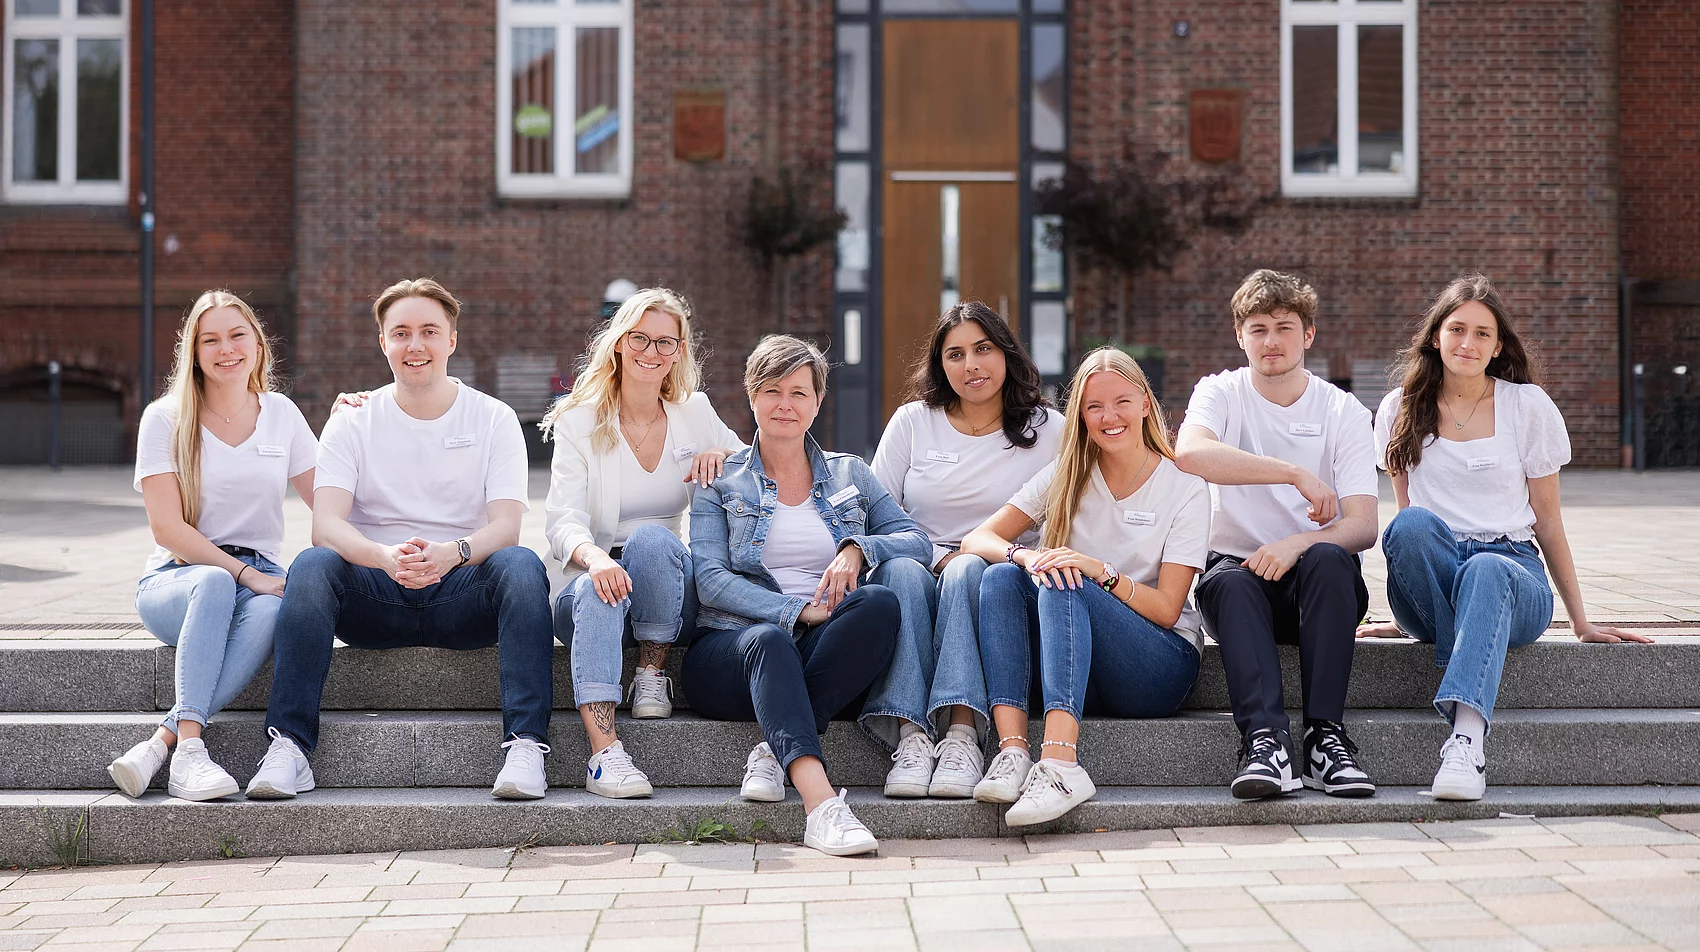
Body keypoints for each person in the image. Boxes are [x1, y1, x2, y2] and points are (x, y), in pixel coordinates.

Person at [246, 278, 556, 801]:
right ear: (383, 342)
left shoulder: (493, 417)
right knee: (312, 564)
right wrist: (383, 558)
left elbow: (506, 526)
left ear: (452, 341)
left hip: (460, 592)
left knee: (522, 564)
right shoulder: (352, 420)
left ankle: (526, 745)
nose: (416, 346)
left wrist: (451, 553)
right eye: (402, 333)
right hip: (376, 596)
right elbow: (327, 524)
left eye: (430, 331)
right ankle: (290, 749)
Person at [1372, 273, 1653, 801]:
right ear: (1436, 336)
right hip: (1434, 585)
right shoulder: (1398, 408)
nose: (1467, 343)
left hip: (1512, 572)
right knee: (1407, 525)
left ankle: (1466, 744)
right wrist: (1400, 611)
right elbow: (1409, 520)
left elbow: (1547, 520)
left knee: (1486, 568)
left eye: (1482, 333)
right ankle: (1471, 650)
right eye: (1457, 329)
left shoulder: (1527, 407)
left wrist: (1580, 620)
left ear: (1498, 347)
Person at [686, 335, 932, 856]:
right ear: (751, 397)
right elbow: (709, 579)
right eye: (772, 391)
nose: (785, 404)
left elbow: (916, 541)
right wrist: (796, 610)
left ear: (818, 402)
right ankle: (822, 808)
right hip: (731, 650)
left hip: (821, 655)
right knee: (771, 641)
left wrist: (857, 549)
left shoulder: (851, 473)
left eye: (799, 392)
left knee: (880, 604)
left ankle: (778, 749)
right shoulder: (719, 479)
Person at [961, 347, 1210, 826]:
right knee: (1001, 576)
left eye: (1121, 402)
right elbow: (979, 538)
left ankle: (1059, 763)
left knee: (1066, 579)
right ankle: (1013, 751)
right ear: (1080, 415)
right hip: (1079, 665)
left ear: (1145, 404)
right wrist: (1027, 555)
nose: (1108, 417)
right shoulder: (1069, 472)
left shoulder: (1184, 487)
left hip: (1157, 666)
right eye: (1094, 407)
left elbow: (1167, 607)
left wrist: (1102, 571)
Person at [1175, 270, 1379, 800]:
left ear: (1307, 335)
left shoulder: (1343, 411)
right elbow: (1191, 452)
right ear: (1240, 336)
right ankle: (1266, 743)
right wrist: (1291, 472)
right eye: (1258, 328)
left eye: (1284, 327)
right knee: (1232, 582)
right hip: (1239, 575)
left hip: (1318, 585)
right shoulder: (1220, 392)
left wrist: (1295, 543)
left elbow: (1362, 526)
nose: (1271, 340)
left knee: (1331, 559)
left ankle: (1325, 740)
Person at [108, 291, 317, 801]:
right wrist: (245, 576)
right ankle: (192, 751)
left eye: (237, 335)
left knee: (272, 613)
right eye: (211, 339)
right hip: (177, 581)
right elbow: (168, 530)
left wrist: (361, 415)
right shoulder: (164, 418)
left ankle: (162, 744)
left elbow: (331, 502)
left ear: (258, 344)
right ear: (194, 353)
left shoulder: (282, 414)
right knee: (218, 581)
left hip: (257, 577)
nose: (227, 349)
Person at [540, 287, 742, 799]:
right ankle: (604, 755)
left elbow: (754, 465)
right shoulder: (579, 420)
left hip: (666, 586)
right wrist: (593, 561)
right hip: (592, 580)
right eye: (640, 339)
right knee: (595, 590)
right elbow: (562, 517)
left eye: (665, 343)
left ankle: (652, 671)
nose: (651, 352)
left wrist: (722, 454)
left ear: (679, 353)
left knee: (654, 539)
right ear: (618, 343)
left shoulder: (694, 412)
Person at [866, 301, 1063, 799]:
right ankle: (909, 736)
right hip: (918, 561)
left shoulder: (1050, 431)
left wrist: (968, 557)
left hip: (1001, 574)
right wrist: (933, 556)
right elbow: (875, 512)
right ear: (941, 366)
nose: (970, 365)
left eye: (983, 349)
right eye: (955, 354)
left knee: (968, 569)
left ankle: (962, 733)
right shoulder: (913, 422)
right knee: (904, 572)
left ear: (1006, 354)